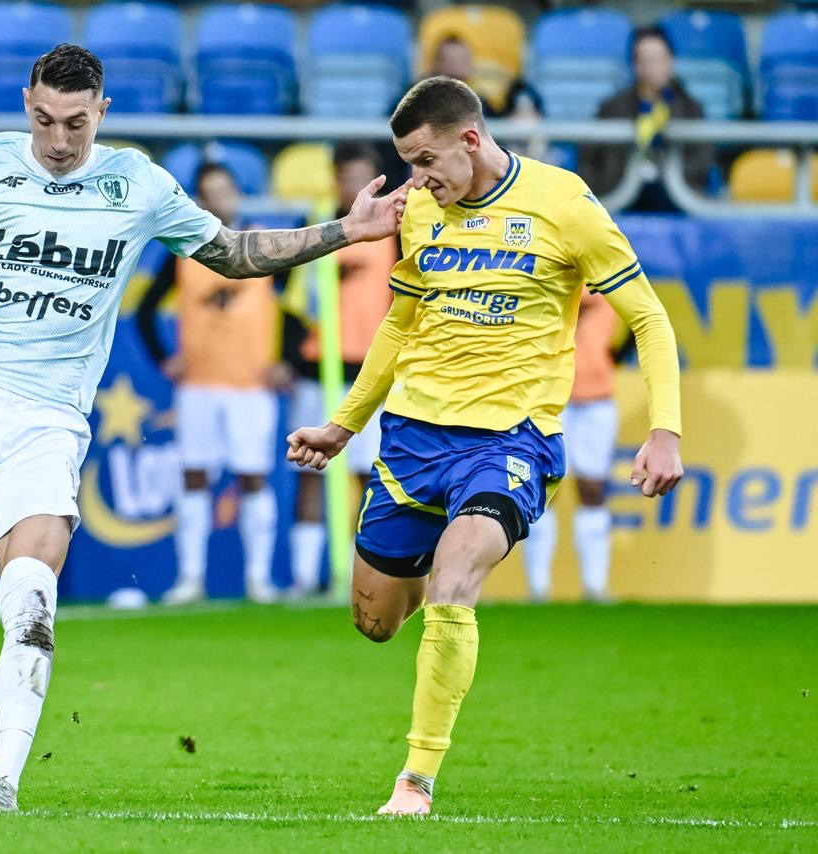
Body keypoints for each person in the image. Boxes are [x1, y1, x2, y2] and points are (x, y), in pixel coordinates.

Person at [0, 44, 404, 813]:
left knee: (31, 600)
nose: (59, 139)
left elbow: (234, 254)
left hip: (49, 421)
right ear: (26, 105)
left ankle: (2, 782)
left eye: (76, 122)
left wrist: (346, 230)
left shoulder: (138, 184)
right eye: (45, 120)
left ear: (101, 111)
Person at [287, 76, 683, 817]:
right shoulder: (420, 213)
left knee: (455, 578)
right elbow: (400, 324)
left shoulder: (564, 203)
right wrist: (343, 425)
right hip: (413, 437)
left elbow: (649, 319)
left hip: (511, 438)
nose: (416, 179)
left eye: (425, 160)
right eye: (407, 163)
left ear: (470, 140)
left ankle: (415, 781)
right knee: (375, 622)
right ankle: (433, 565)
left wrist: (665, 430)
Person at [136, 161, 288, 605]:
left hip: (252, 384)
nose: (220, 199)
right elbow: (145, 310)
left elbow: (299, 303)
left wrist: (286, 360)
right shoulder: (184, 249)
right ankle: (191, 579)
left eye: (225, 189)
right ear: (200, 200)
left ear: (238, 193)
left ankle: (258, 580)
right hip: (199, 385)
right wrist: (164, 358)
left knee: (253, 476)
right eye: (210, 192)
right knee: (194, 476)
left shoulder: (264, 243)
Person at [282, 142, 397, 598]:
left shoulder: (395, 229)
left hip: (371, 371)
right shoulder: (316, 226)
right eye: (347, 176)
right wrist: (287, 357)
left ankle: (353, 576)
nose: (354, 185)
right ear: (334, 178)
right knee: (311, 472)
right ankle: (304, 578)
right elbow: (292, 301)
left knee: (367, 476)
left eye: (362, 176)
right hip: (317, 369)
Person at [522, 288, 622, 603]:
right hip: (550, 396)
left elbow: (641, 319)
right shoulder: (557, 267)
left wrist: (611, 357)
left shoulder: (607, 269)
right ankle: (538, 589)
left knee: (593, 487)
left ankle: (595, 585)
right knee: (544, 488)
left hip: (597, 396)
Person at [578, 26, 714, 212]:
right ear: (636, 66)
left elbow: (701, 163)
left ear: (671, 60)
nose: (657, 66)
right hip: (619, 203)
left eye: (662, 59)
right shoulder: (611, 108)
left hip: (675, 205)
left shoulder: (691, 109)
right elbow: (589, 162)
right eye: (649, 60)